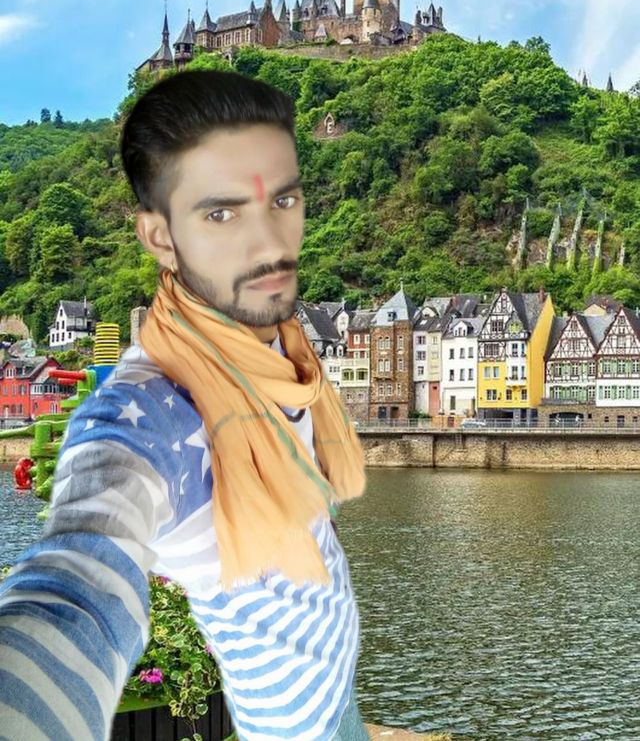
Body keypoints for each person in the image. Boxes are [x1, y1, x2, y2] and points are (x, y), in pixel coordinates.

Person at [0, 70, 370, 740]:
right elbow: (78, 581)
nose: (268, 241)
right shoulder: (148, 414)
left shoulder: (285, 358)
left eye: (282, 200)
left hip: (337, 683)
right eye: (221, 213)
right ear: (161, 237)